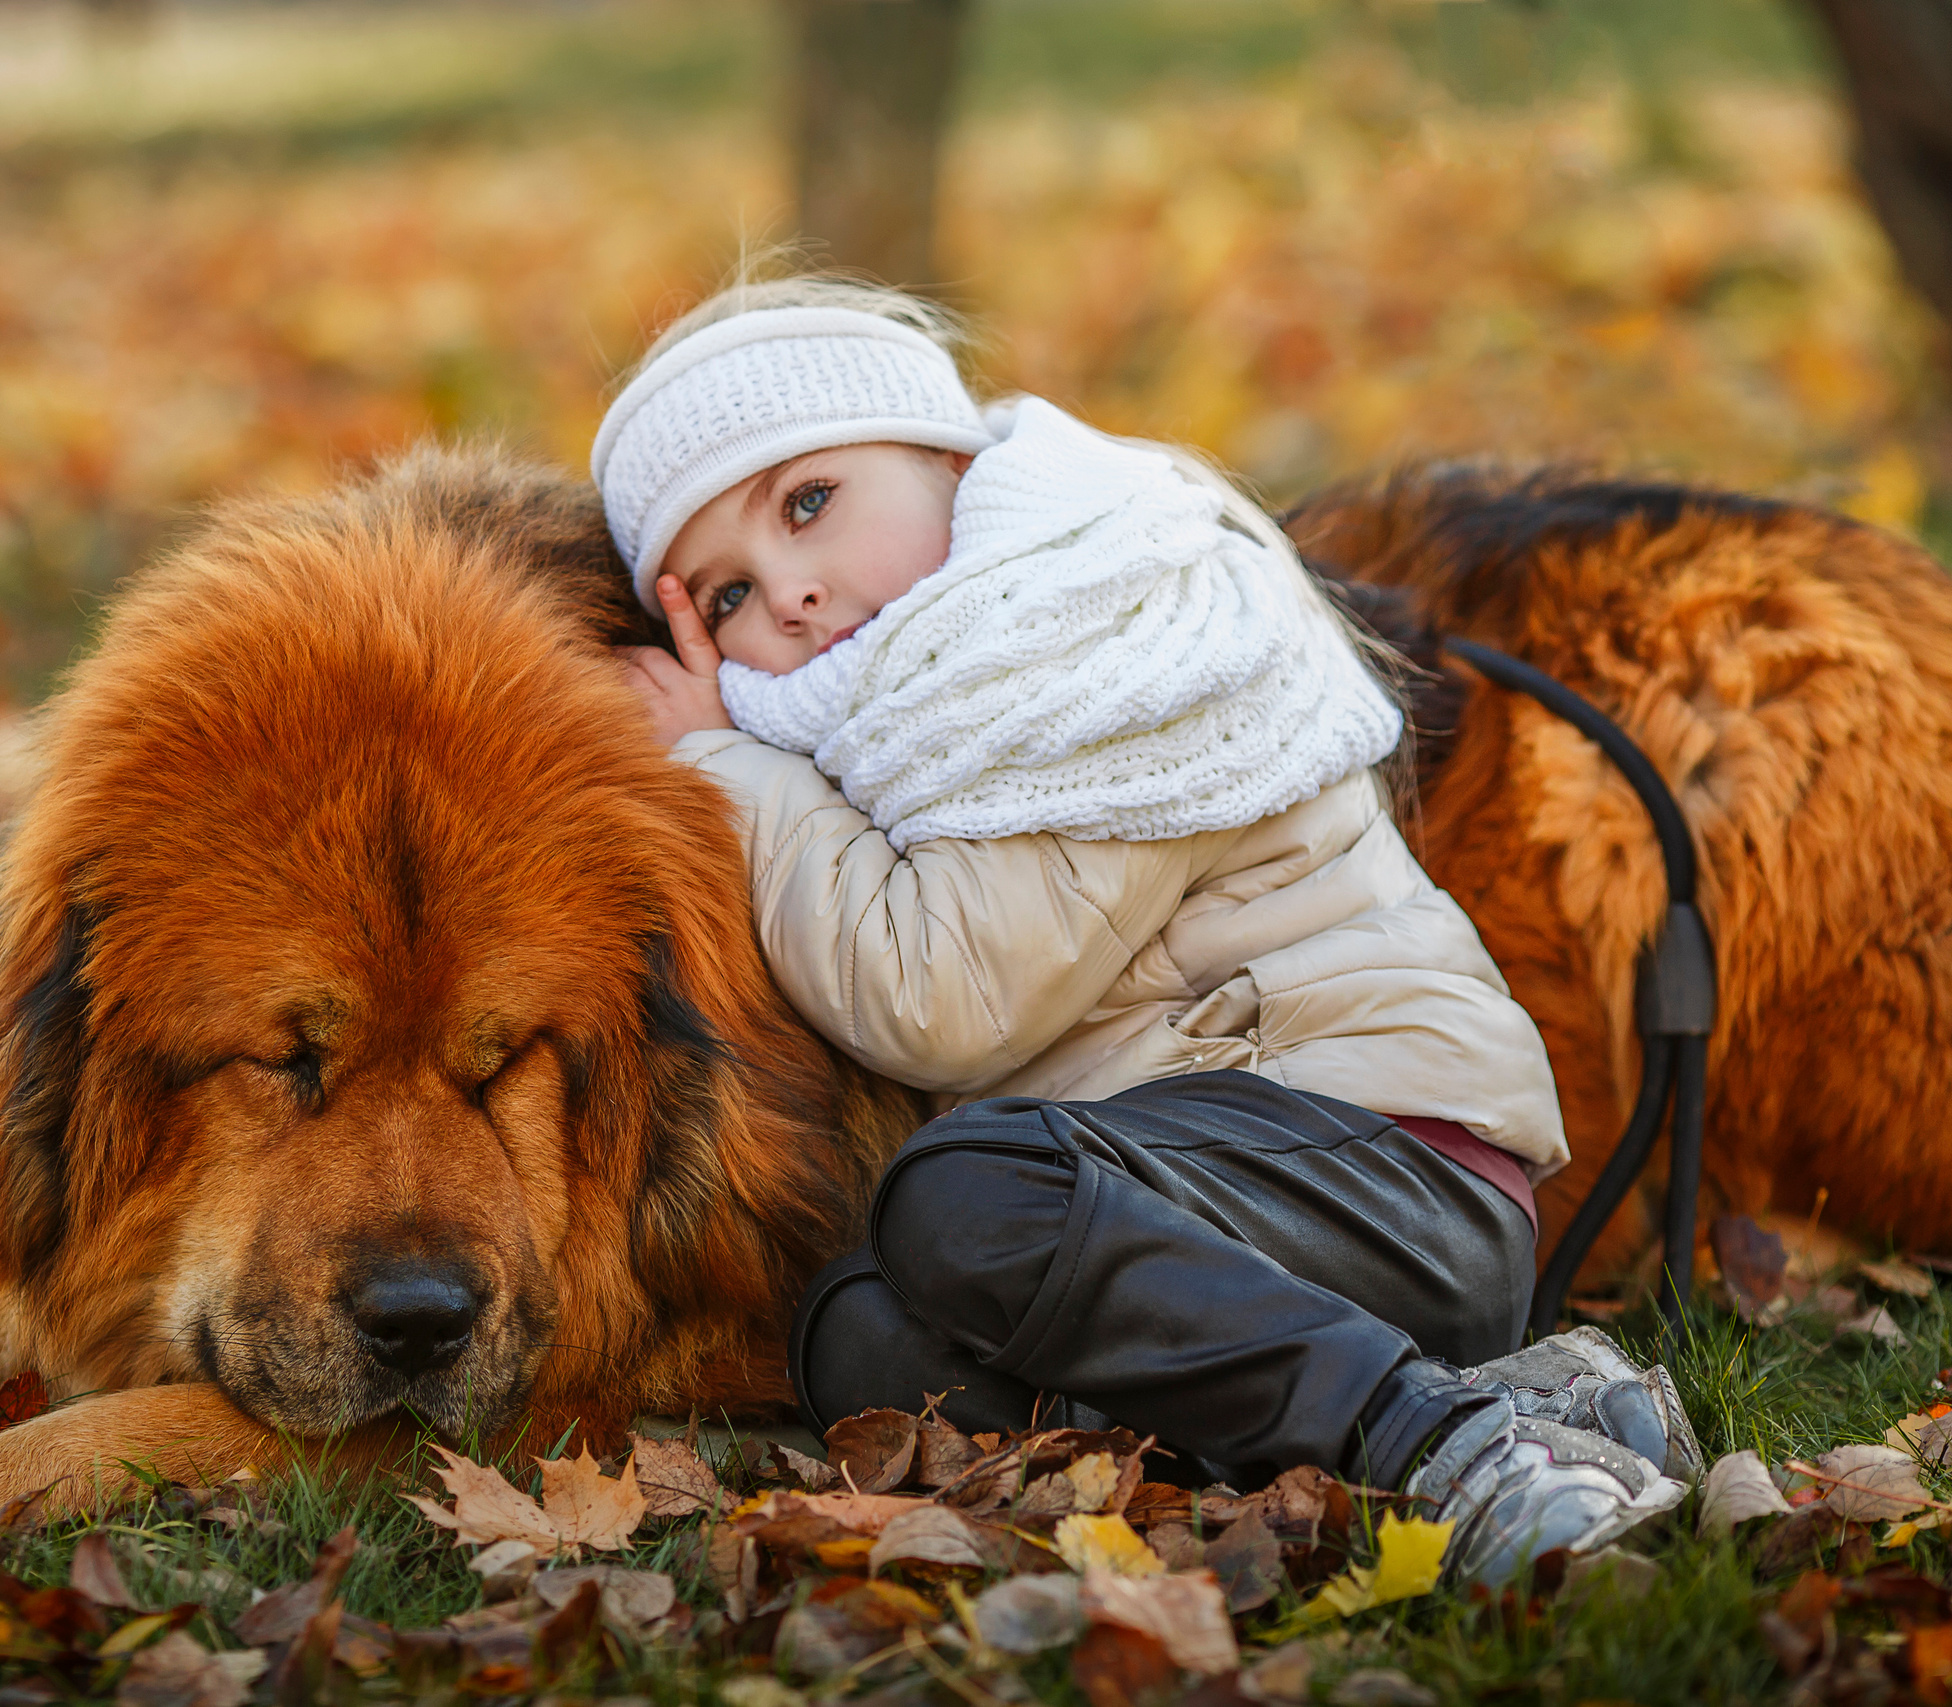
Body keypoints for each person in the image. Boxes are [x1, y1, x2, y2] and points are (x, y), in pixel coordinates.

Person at [600, 274, 1696, 1585]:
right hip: (1217, 1205)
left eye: (810, 503)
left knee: (961, 1192)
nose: (791, 594)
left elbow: (945, 1002)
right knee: (857, 1332)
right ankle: (1531, 1412)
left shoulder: (1093, 634)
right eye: (723, 595)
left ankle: (1441, 1441)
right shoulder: (922, 704)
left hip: (1394, 1166)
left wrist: (729, 762)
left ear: (947, 455)